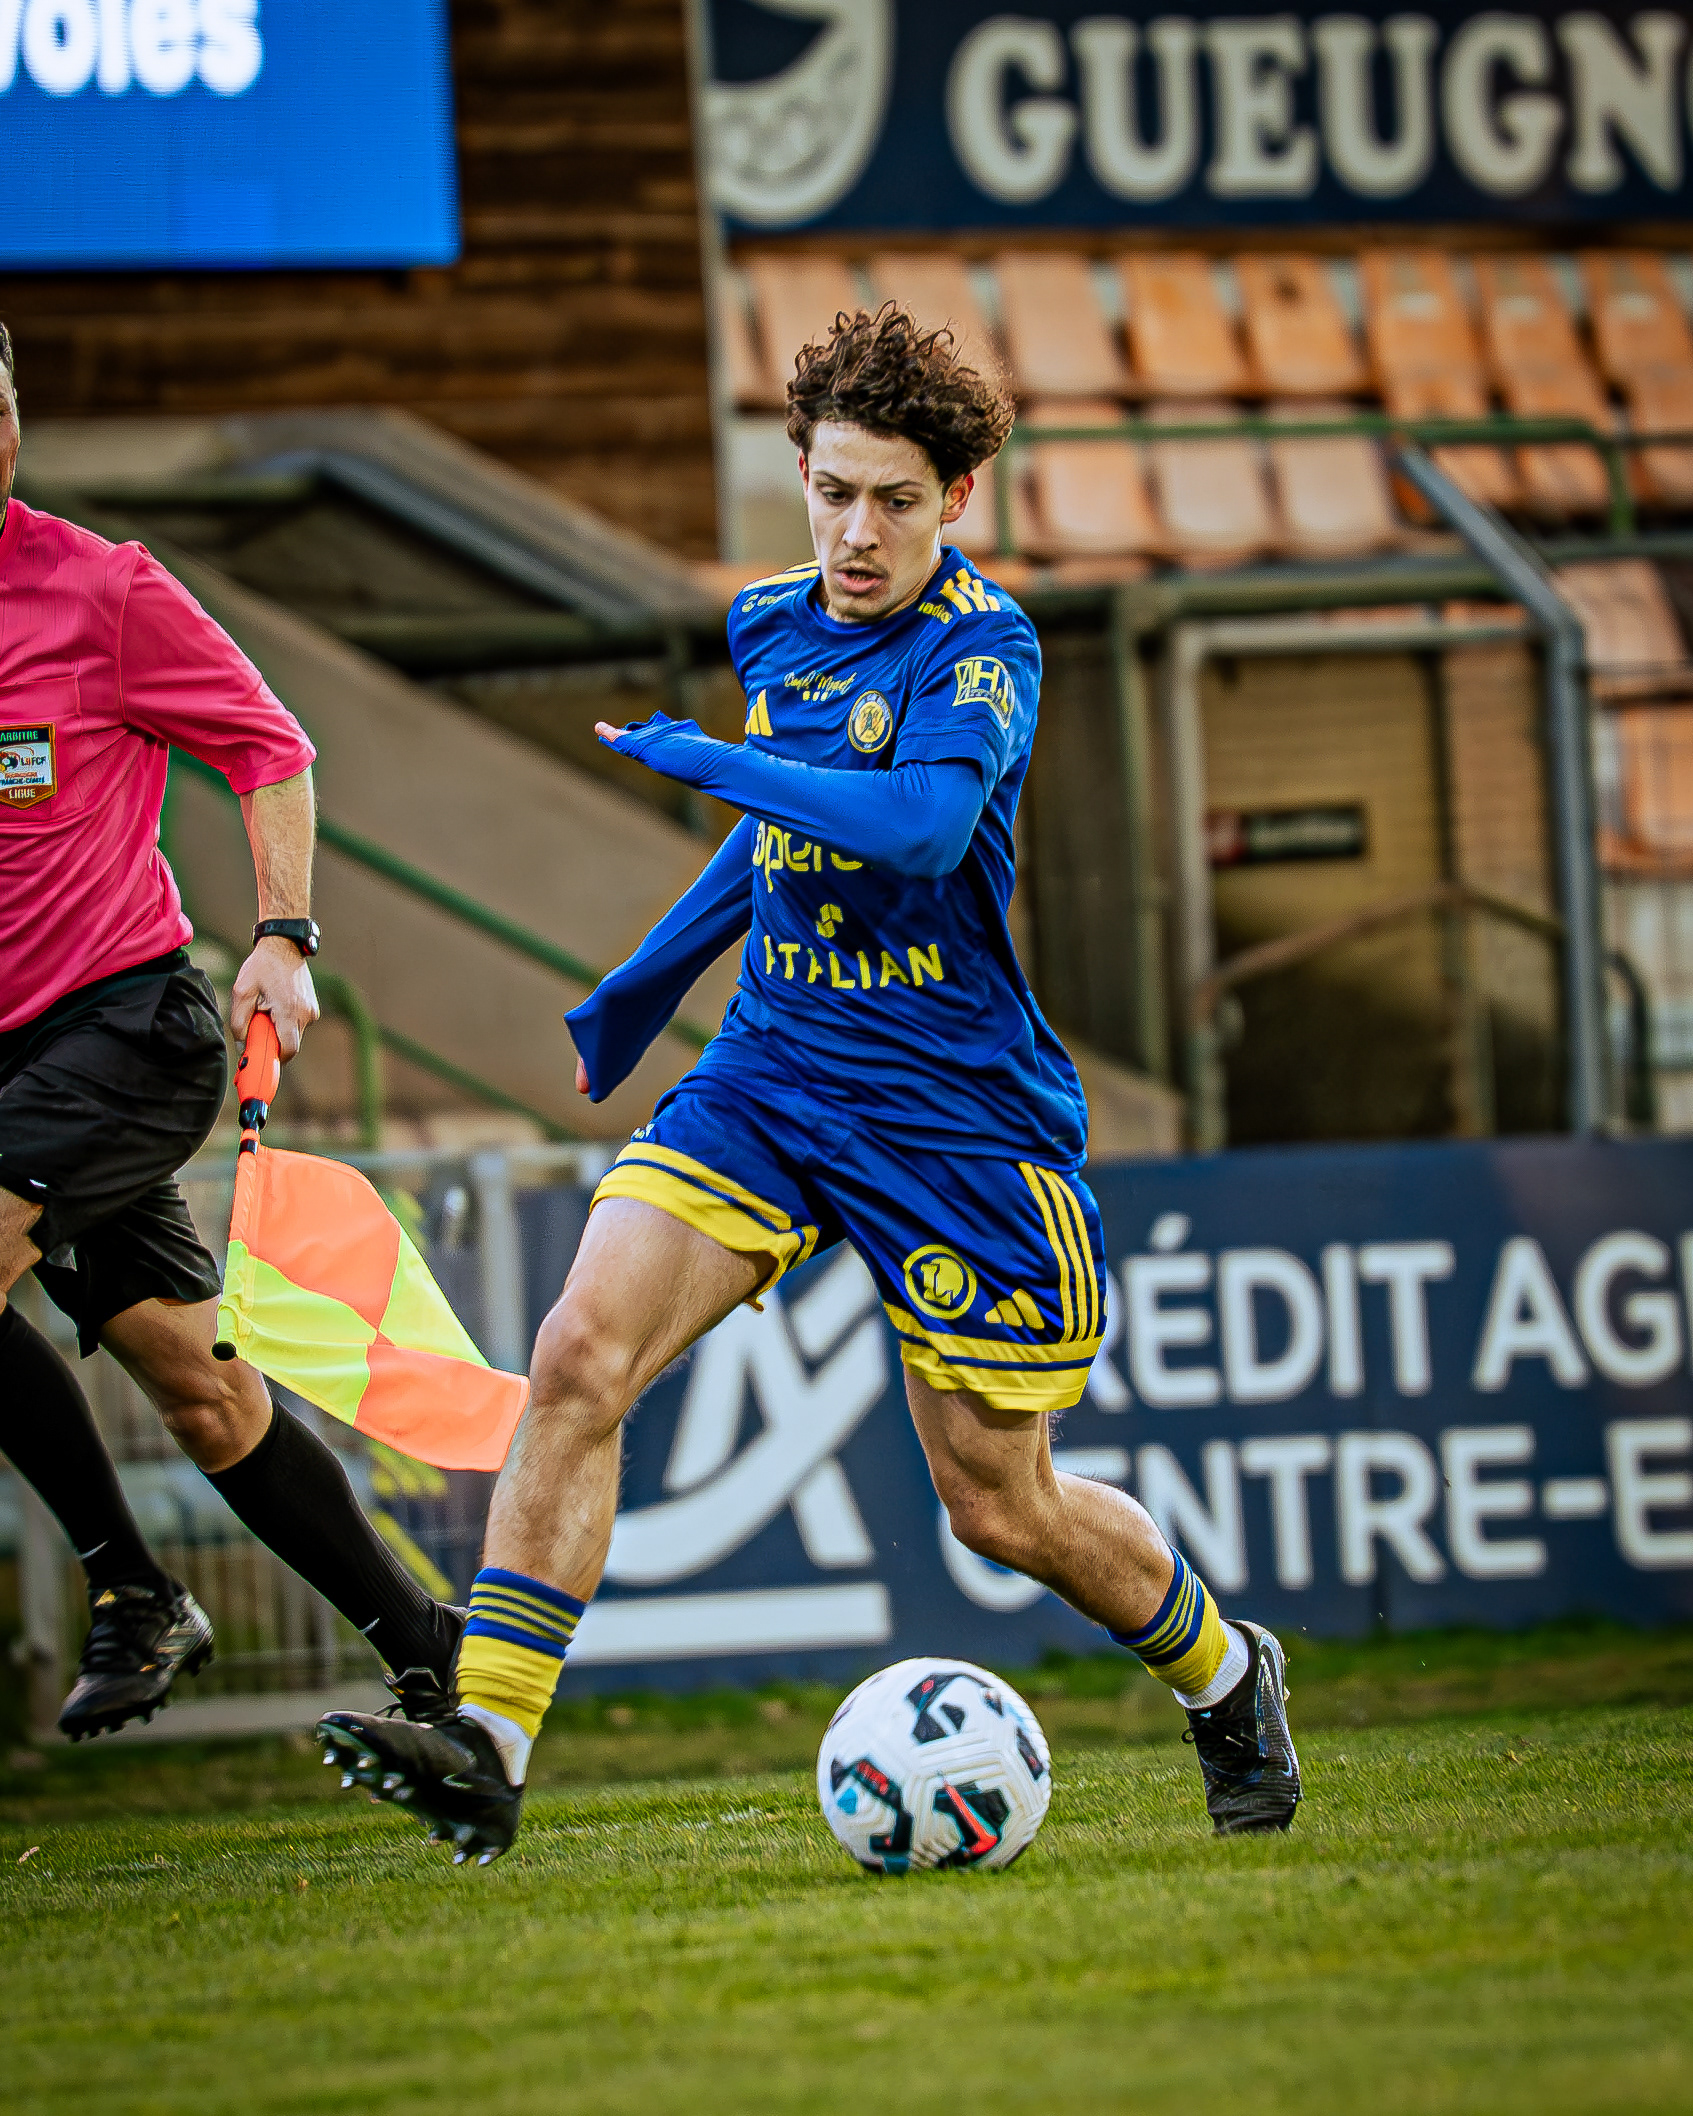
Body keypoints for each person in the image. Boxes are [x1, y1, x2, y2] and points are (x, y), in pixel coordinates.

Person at [318, 306, 1300, 1862]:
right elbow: (780, 830)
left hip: (953, 1113)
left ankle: (1228, 1676)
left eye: (894, 502)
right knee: (577, 1354)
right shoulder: (774, 622)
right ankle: (486, 1742)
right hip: (774, 1068)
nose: (855, 534)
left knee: (999, 1504)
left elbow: (913, 826)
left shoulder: (983, 648)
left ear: (954, 499)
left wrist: (710, 758)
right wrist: (648, 979)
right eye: (832, 492)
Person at [0, 323, 461, 1738]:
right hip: (15, 1076)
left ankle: (131, 1591)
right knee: (201, 1390)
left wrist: (284, 937)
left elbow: (271, 747)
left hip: (125, 1030)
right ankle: (432, 1650)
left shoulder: (102, 590)